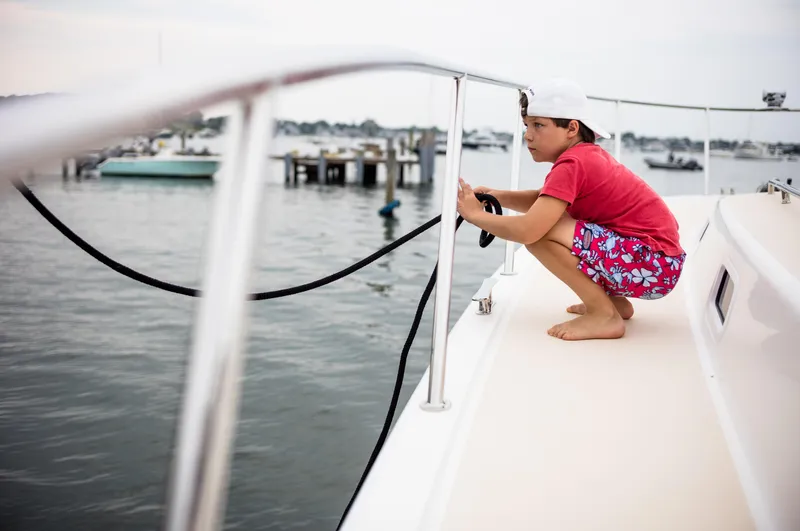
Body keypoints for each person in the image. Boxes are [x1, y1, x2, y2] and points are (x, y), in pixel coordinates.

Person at [456, 78, 686, 341]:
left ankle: (603, 315)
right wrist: (496, 196)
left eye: (539, 125)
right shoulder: (585, 156)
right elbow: (545, 202)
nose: (528, 135)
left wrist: (476, 215)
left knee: (540, 233)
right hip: (658, 264)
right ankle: (614, 304)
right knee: (552, 220)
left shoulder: (572, 164)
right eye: (527, 125)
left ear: (572, 128)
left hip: (653, 263)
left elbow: (530, 228)